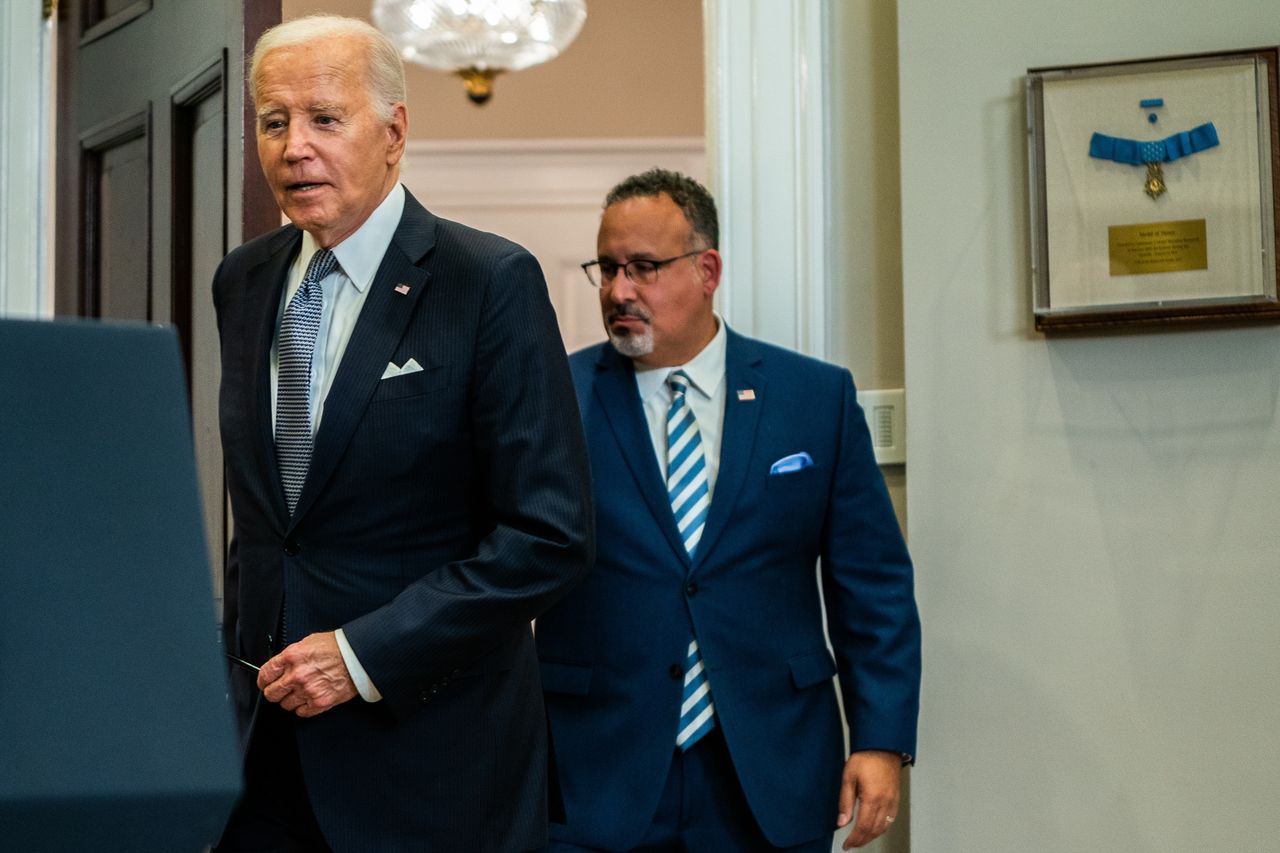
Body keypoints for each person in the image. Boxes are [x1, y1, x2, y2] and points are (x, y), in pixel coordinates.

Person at [212, 15, 593, 853]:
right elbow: (272, 524)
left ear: (395, 131)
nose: (294, 147)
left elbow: (550, 533)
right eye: (274, 123)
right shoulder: (242, 282)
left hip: (431, 765)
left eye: (323, 118)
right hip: (261, 763)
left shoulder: (487, 281)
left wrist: (360, 654)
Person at [535, 169, 921, 852]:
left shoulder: (814, 398)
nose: (619, 290)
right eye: (609, 267)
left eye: (645, 268)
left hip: (771, 766)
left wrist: (881, 739)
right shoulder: (553, 398)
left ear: (706, 269)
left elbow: (874, 584)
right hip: (597, 769)